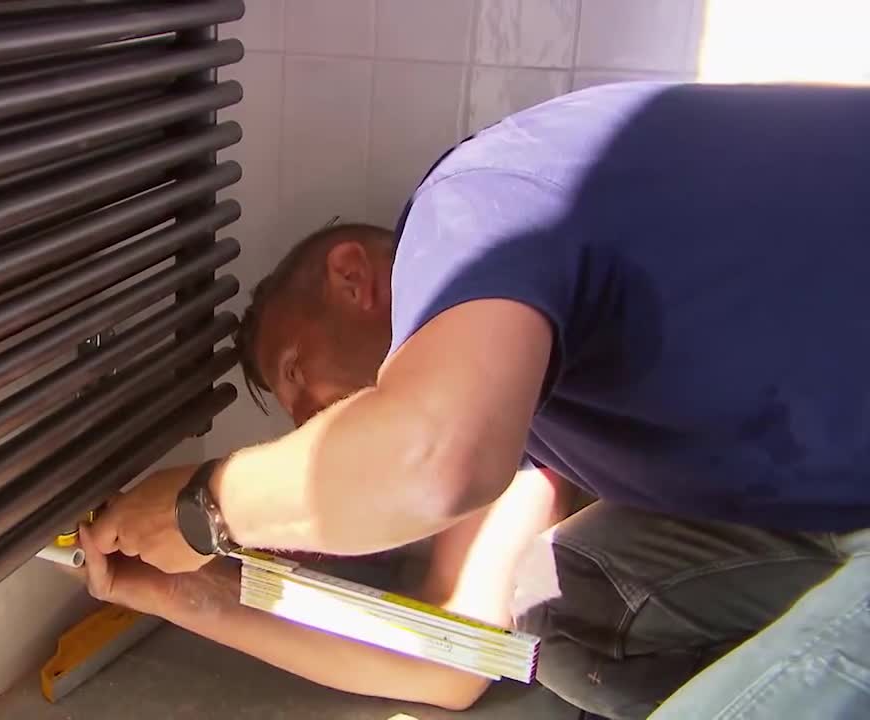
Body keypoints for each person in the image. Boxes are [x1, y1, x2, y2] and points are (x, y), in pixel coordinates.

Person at [88, 81, 870, 717]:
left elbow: (425, 459)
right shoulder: (525, 397)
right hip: (835, 509)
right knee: (560, 616)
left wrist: (201, 508)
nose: (306, 422)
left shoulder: (472, 203)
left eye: (295, 372)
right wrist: (182, 595)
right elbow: (457, 657)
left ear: (353, 276)